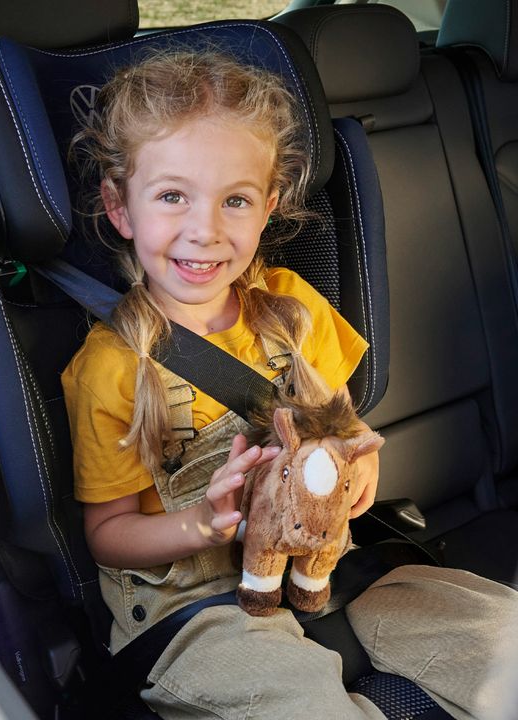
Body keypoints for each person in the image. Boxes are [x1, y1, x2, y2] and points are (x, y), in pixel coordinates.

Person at [62, 48, 517, 720]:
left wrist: (361, 458)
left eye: (235, 200)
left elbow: (342, 423)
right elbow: (108, 533)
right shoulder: (111, 366)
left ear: (268, 207)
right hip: (191, 603)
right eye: (172, 196)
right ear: (119, 206)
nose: (204, 231)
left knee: (499, 639)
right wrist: (202, 522)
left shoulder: (291, 306)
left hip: (324, 564)